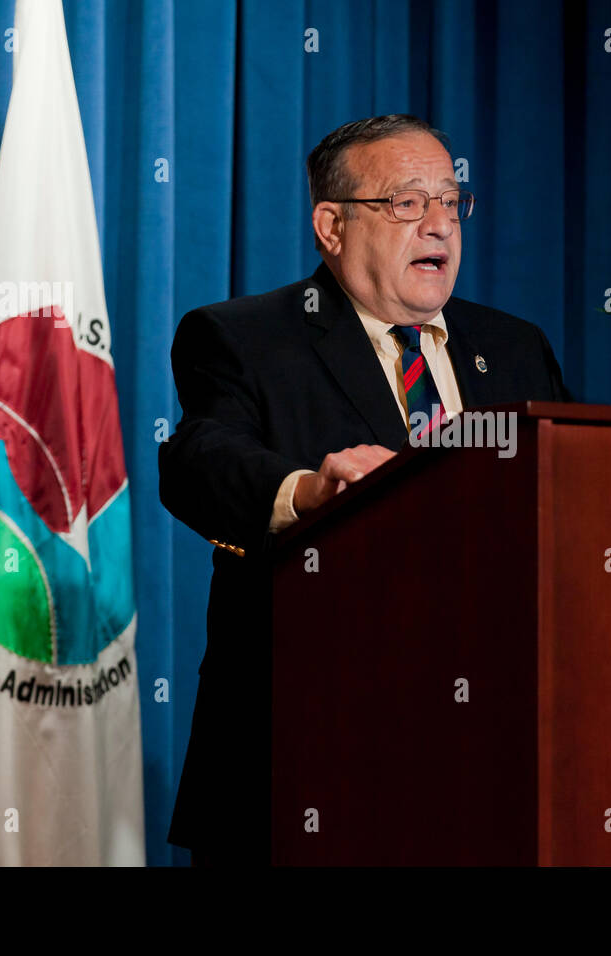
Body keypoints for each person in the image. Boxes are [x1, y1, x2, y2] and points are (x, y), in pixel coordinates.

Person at [158, 114, 572, 864]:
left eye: (451, 202)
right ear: (332, 225)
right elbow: (199, 461)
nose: (439, 224)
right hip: (310, 752)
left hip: (495, 757)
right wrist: (308, 491)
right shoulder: (246, 337)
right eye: (407, 203)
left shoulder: (515, 347)